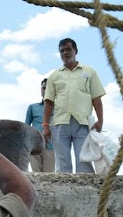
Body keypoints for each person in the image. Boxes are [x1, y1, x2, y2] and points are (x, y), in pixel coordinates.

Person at [41, 38, 106, 173]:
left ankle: (86, 192)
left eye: (68, 49)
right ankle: (63, 192)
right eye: (62, 51)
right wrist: (46, 126)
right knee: (62, 162)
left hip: (82, 123)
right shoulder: (54, 76)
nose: (65, 53)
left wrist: (100, 121)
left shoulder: (90, 73)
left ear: (76, 51)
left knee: (84, 160)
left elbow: (96, 98)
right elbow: (48, 102)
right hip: (59, 123)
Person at [24, 78, 55, 172]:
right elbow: (26, 127)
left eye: (48, 88)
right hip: (35, 146)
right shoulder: (33, 107)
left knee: (50, 176)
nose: (45, 90)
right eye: (43, 88)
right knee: (36, 175)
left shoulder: (58, 108)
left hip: (51, 146)